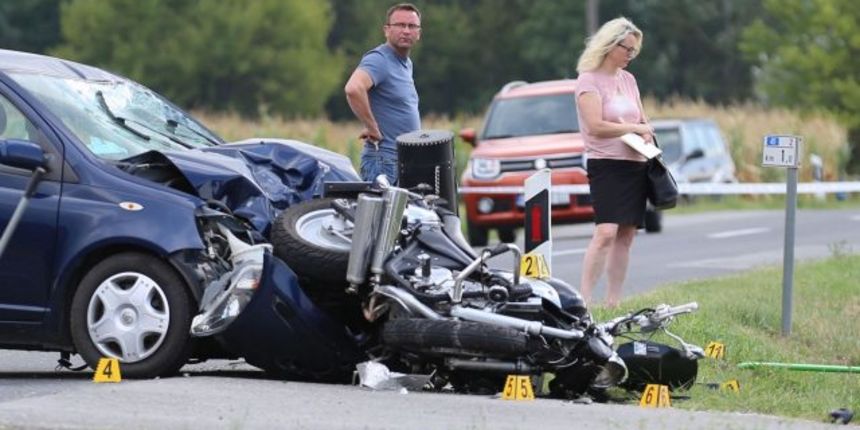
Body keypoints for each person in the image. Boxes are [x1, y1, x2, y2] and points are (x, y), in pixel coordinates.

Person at [574, 17, 654, 308]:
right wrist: (633, 129)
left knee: (626, 234)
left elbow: (643, 121)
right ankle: (584, 298)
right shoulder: (588, 80)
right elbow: (595, 125)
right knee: (606, 231)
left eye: (634, 50)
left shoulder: (629, 80)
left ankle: (613, 301)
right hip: (606, 163)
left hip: (635, 163)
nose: (630, 55)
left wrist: (646, 135)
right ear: (610, 45)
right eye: (627, 49)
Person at [344, 3, 422, 184]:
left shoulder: (405, 63)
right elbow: (353, 88)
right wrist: (372, 127)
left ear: (419, 33)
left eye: (412, 26)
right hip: (384, 161)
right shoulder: (379, 59)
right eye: (400, 25)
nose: (406, 31)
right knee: (383, 214)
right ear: (387, 30)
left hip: (401, 160)